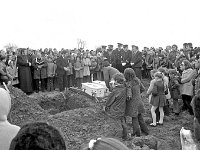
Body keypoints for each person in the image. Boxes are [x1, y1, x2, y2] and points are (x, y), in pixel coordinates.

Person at [124, 68, 149, 136]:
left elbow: (129, 96)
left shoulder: (129, 84)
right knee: (140, 117)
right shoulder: (137, 80)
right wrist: (137, 94)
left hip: (133, 104)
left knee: (134, 118)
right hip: (139, 101)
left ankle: (136, 133)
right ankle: (146, 131)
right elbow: (143, 89)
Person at [105, 73, 128, 140]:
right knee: (123, 122)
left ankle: (118, 137)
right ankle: (125, 136)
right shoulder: (124, 88)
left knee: (116, 124)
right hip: (123, 108)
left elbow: (109, 101)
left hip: (115, 109)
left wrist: (106, 106)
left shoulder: (116, 90)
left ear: (116, 81)